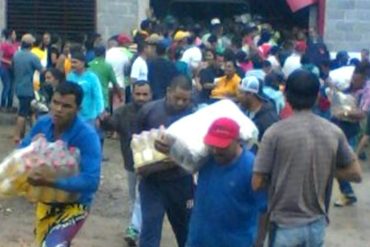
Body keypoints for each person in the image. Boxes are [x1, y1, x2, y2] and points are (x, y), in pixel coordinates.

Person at [252, 69, 362, 247]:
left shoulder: (275, 133)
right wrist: (325, 168)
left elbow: (257, 182)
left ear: (286, 96)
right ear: (317, 97)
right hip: (316, 225)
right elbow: (355, 174)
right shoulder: (333, 131)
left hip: (284, 226)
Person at [20, 82, 102, 246]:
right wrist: (30, 149)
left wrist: (49, 181)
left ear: (78, 109)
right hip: (46, 201)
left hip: (76, 205)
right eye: (55, 103)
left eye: (66, 106)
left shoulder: (87, 136)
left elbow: (91, 181)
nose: (58, 109)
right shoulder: (43, 124)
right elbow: (20, 153)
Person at [186, 117, 267, 247]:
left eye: (222, 146)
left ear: (237, 141)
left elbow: (264, 209)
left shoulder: (251, 167)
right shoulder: (206, 160)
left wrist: (259, 242)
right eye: (213, 145)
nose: (216, 151)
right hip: (198, 240)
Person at [136, 75, 193, 247]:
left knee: (185, 232)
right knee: (150, 233)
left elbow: (194, 153)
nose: (181, 103)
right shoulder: (148, 112)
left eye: (185, 99)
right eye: (177, 98)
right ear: (168, 92)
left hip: (181, 183)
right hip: (152, 183)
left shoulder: (193, 116)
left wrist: (173, 158)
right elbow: (135, 145)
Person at [101, 81, 152, 246]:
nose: (141, 98)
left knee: (141, 195)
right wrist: (104, 120)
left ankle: (134, 229)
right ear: (133, 94)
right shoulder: (123, 112)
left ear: (151, 95)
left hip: (151, 164)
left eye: (145, 94)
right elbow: (111, 125)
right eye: (138, 94)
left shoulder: (157, 110)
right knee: (134, 196)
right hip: (130, 162)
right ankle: (139, 226)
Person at [331, 64, 369, 206]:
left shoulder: (367, 91)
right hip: (339, 126)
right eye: (353, 78)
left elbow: (362, 114)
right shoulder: (351, 86)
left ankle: (348, 193)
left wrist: (344, 112)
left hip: (350, 129)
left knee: (342, 162)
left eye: (357, 80)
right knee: (336, 160)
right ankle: (347, 192)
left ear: (364, 79)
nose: (354, 82)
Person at [13, 34, 43, 143]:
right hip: (28, 88)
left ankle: (31, 133)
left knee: (31, 112)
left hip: (18, 87)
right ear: (31, 45)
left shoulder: (16, 55)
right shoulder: (33, 57)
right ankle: (17, 135)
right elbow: (42, 70)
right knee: (23, 113)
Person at [66, 50, 104, 124]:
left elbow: (98, 96)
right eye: (71, 62)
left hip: (90, 117)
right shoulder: (70, 77)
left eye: (75, 62)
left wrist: (100, 113)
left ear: (83, 63)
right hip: (74, 116)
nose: (72, 65)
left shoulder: (92, 77)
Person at [238, 75, 279, 142]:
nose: (238, 96)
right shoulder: (246, 110)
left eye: (240, 93)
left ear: (250, 94)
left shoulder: (269, 120)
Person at [88, 45, 120, 111]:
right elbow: (115, 84)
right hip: (103, 100)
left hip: (91, 101)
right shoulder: (107, 66)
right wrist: (120, 95)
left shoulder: (88, 65)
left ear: (94, 53)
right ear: (104, 54)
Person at [0, 29, 18, 112]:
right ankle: (3, 105)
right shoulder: (3, 45)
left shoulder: (15, 44)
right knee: (7, 86)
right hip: (5, 67)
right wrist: (8, 61)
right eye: (14, 34)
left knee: (12, 87)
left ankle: (10, 105)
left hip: (13, 68)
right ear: (10, 35)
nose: (15, 36)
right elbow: (0, 57)